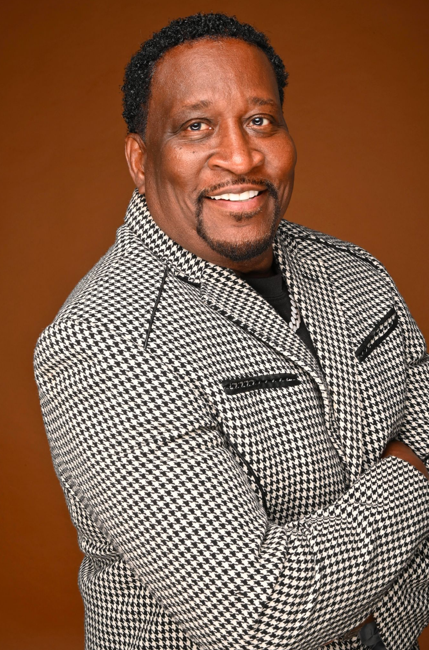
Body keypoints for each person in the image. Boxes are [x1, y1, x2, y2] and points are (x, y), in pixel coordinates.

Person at [34, 12, 429, 650]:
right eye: (196, 127)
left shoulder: (356, 272)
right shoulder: (106, 339)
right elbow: (258, 615)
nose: (241, 157)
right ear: (141, 159)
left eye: (261, 121)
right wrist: (411, 473)